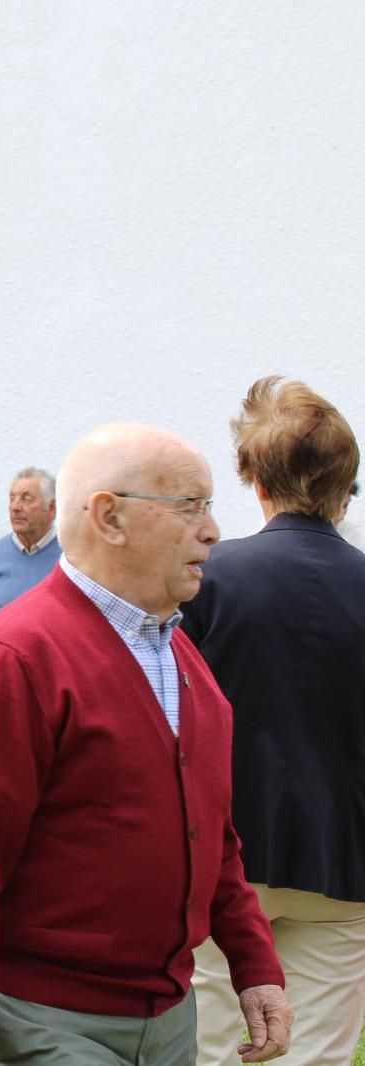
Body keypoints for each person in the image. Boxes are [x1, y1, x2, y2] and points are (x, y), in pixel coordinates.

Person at [0, 423, 292, 1066]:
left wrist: (254, 964)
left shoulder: (179, 657)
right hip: (46, 1024)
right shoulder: (17, 656)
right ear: (109, 517)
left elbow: (211, 835)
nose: (213, 530)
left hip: (169, 1019)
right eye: (191, 506)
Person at [181, 378, 365, 1066]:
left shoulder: (209, 578)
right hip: (343, 860)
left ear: (253, 480)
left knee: (205, 1049)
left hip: (224, 852)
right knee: (315, 1057)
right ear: (345, 485)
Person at [0, 467, 61, 624]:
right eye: (12, 498)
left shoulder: (70, 559)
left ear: (51, 508)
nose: (15, 507)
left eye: (26, 499)